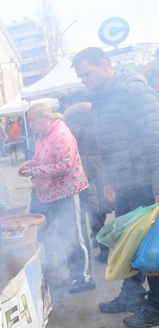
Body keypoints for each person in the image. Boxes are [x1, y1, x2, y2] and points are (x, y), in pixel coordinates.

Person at [72, 47, 159, 328]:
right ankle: (131, 295)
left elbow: (156, 138)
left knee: (151, 249)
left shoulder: (132, 92)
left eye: (88, 73)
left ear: (105, 64)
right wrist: (109, 179)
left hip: (145, 184)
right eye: (81, 76)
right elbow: (108, 145)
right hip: (124, 185)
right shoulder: (101, 100)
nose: (84, 79)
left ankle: (157, 307)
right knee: (126, 245)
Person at [17, 102, 92, 293]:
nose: (30, 124)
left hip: (70, 192)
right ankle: (74, 276)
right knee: (66, 235)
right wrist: (30, 164)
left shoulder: (61, 134)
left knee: (77, 236)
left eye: (33, 120)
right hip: (53, 194)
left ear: (46, 118)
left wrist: (35, 171)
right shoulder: (43, 135)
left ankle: (85, 277)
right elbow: (42, 158)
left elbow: (64, 166)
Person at [63, 102, 111, 263]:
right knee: (100, 207)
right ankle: (101, 240)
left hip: (84, 166)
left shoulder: (72, 125)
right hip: (101, 166)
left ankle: (104, 249)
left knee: (92, 209)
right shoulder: (97, 121)